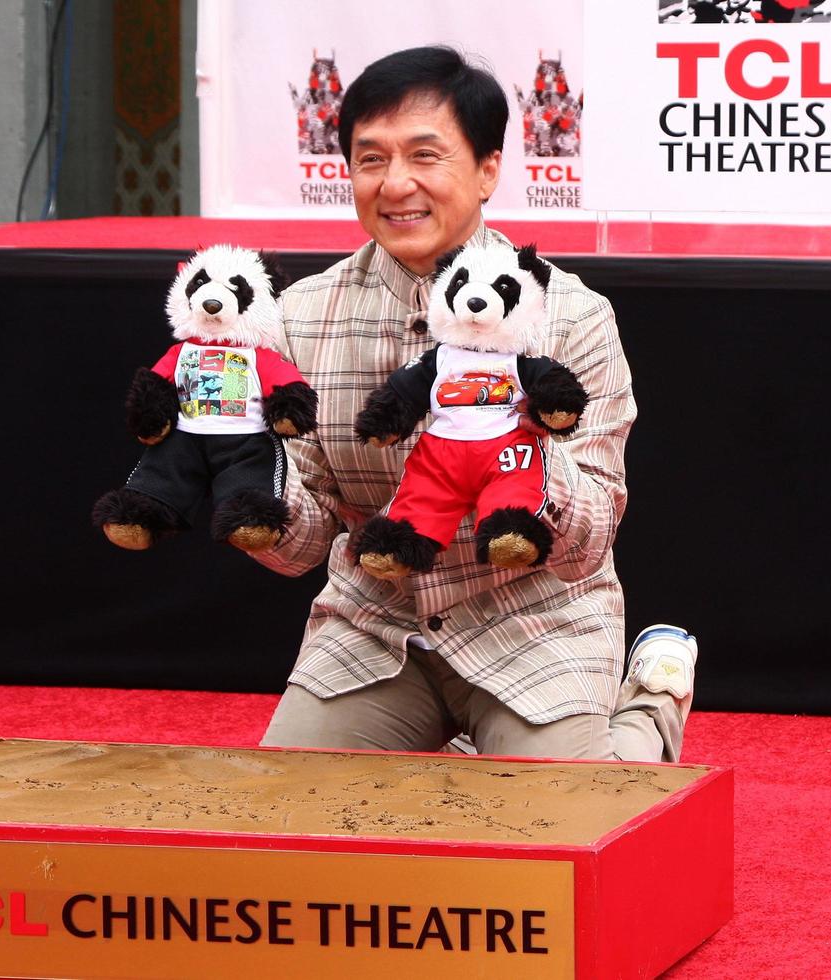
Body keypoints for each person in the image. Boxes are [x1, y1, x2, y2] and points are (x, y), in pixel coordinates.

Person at [249, 46, 697, 761]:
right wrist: (242, 482)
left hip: (537, 626)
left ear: (488, 169)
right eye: (370, 159)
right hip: (374, 626)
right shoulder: (298, 317)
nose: (396, 184)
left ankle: (650, 701)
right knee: (281, 825)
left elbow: (589, 539)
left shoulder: (571, 314)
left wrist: (511, 444)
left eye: (425, 156)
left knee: (567, 833)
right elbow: (300, 546)